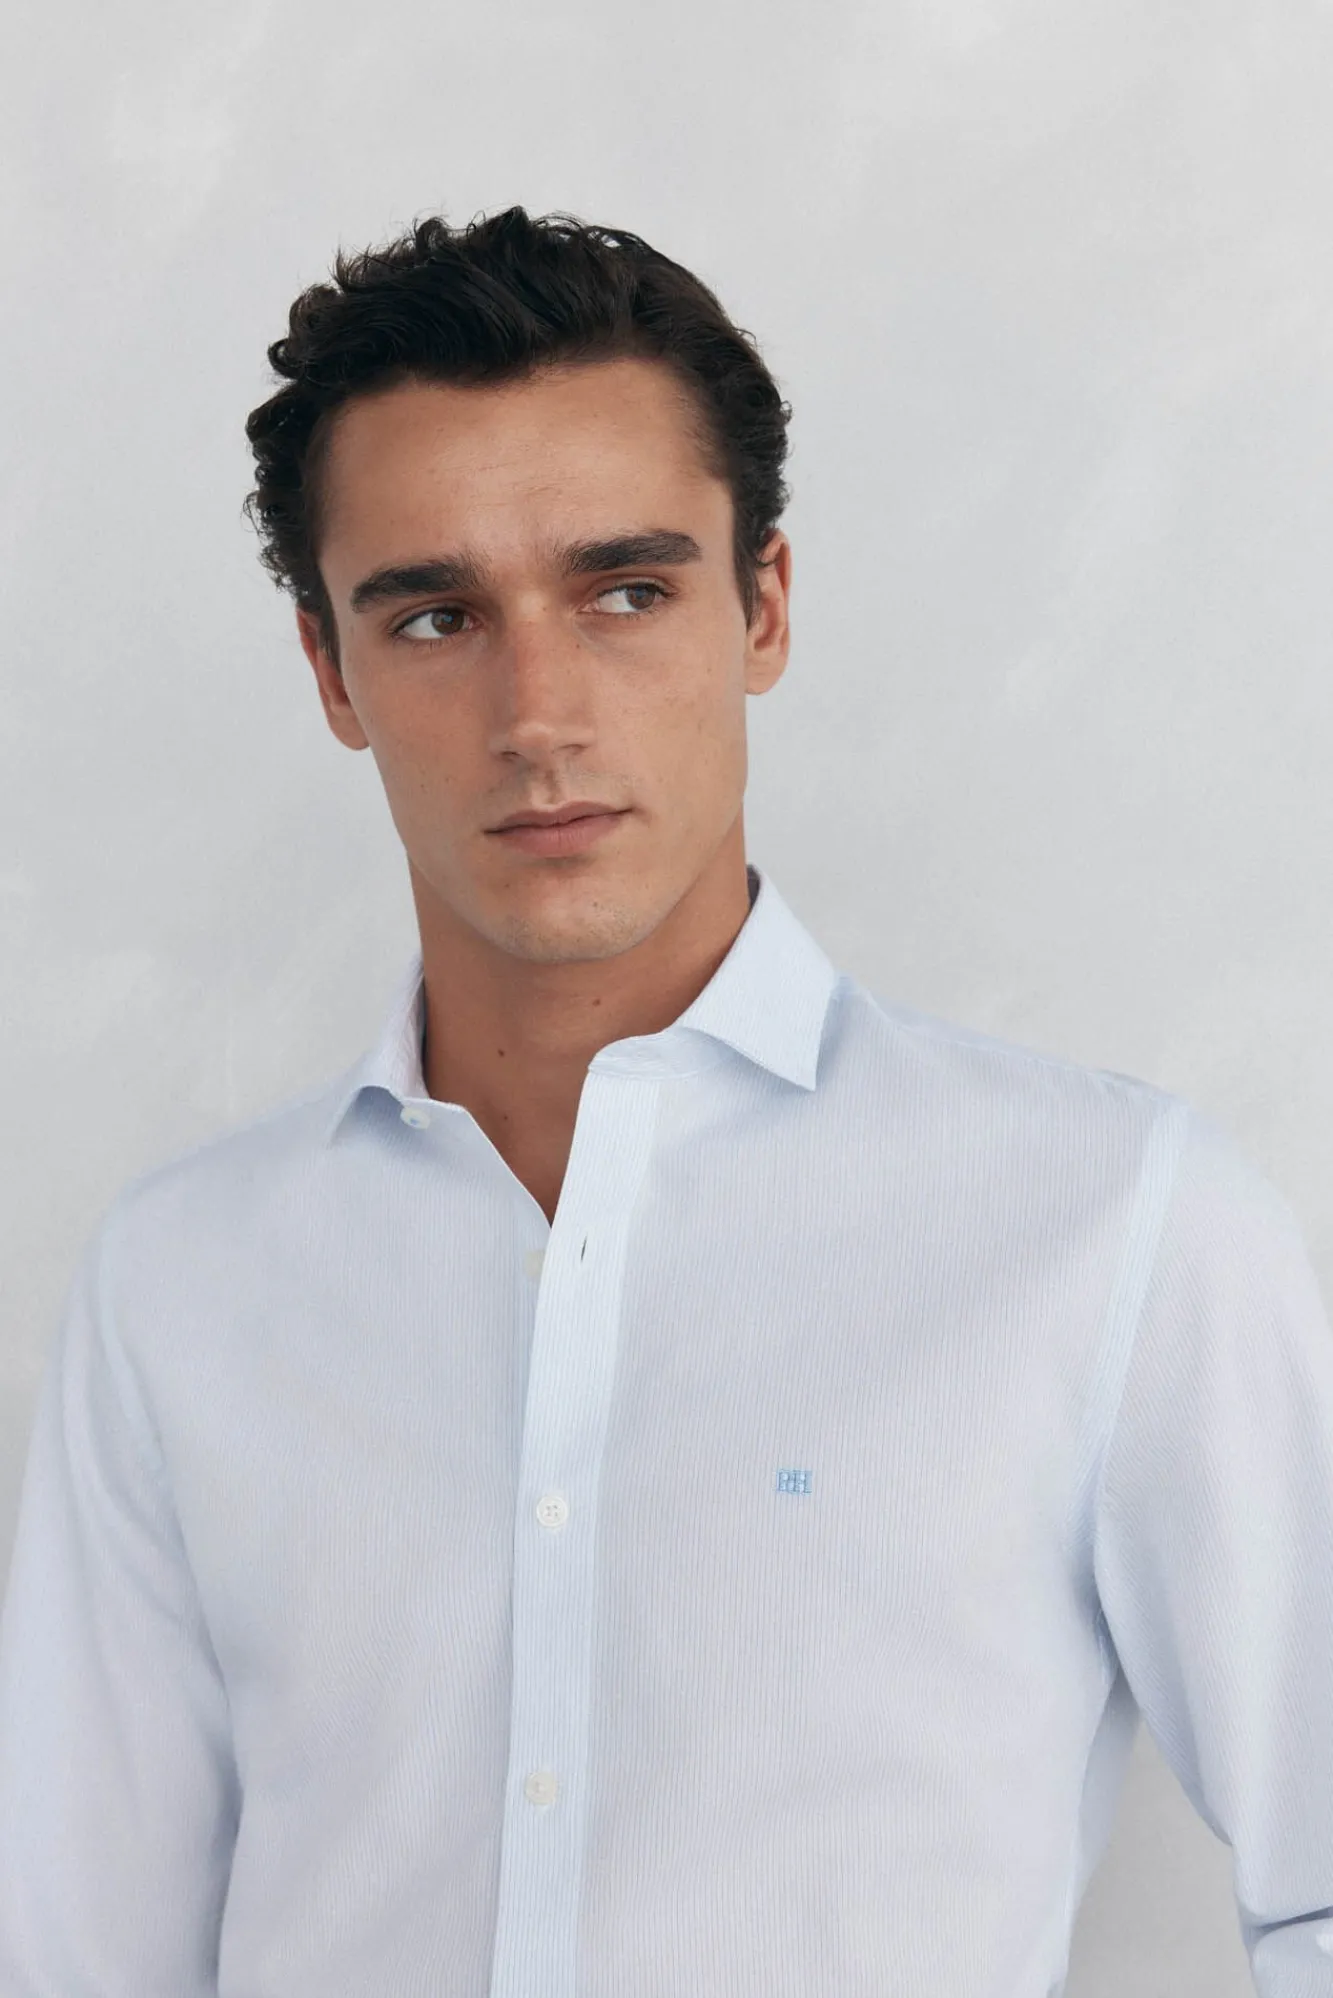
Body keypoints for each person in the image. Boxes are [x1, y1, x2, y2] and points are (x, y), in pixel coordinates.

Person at [1, 205, 1330, 1998]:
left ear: (762, 605)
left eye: (626, 591)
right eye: (436, 615)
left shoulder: (1116, 1226)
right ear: (330, 672)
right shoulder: (184, 1284)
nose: (537, 712)